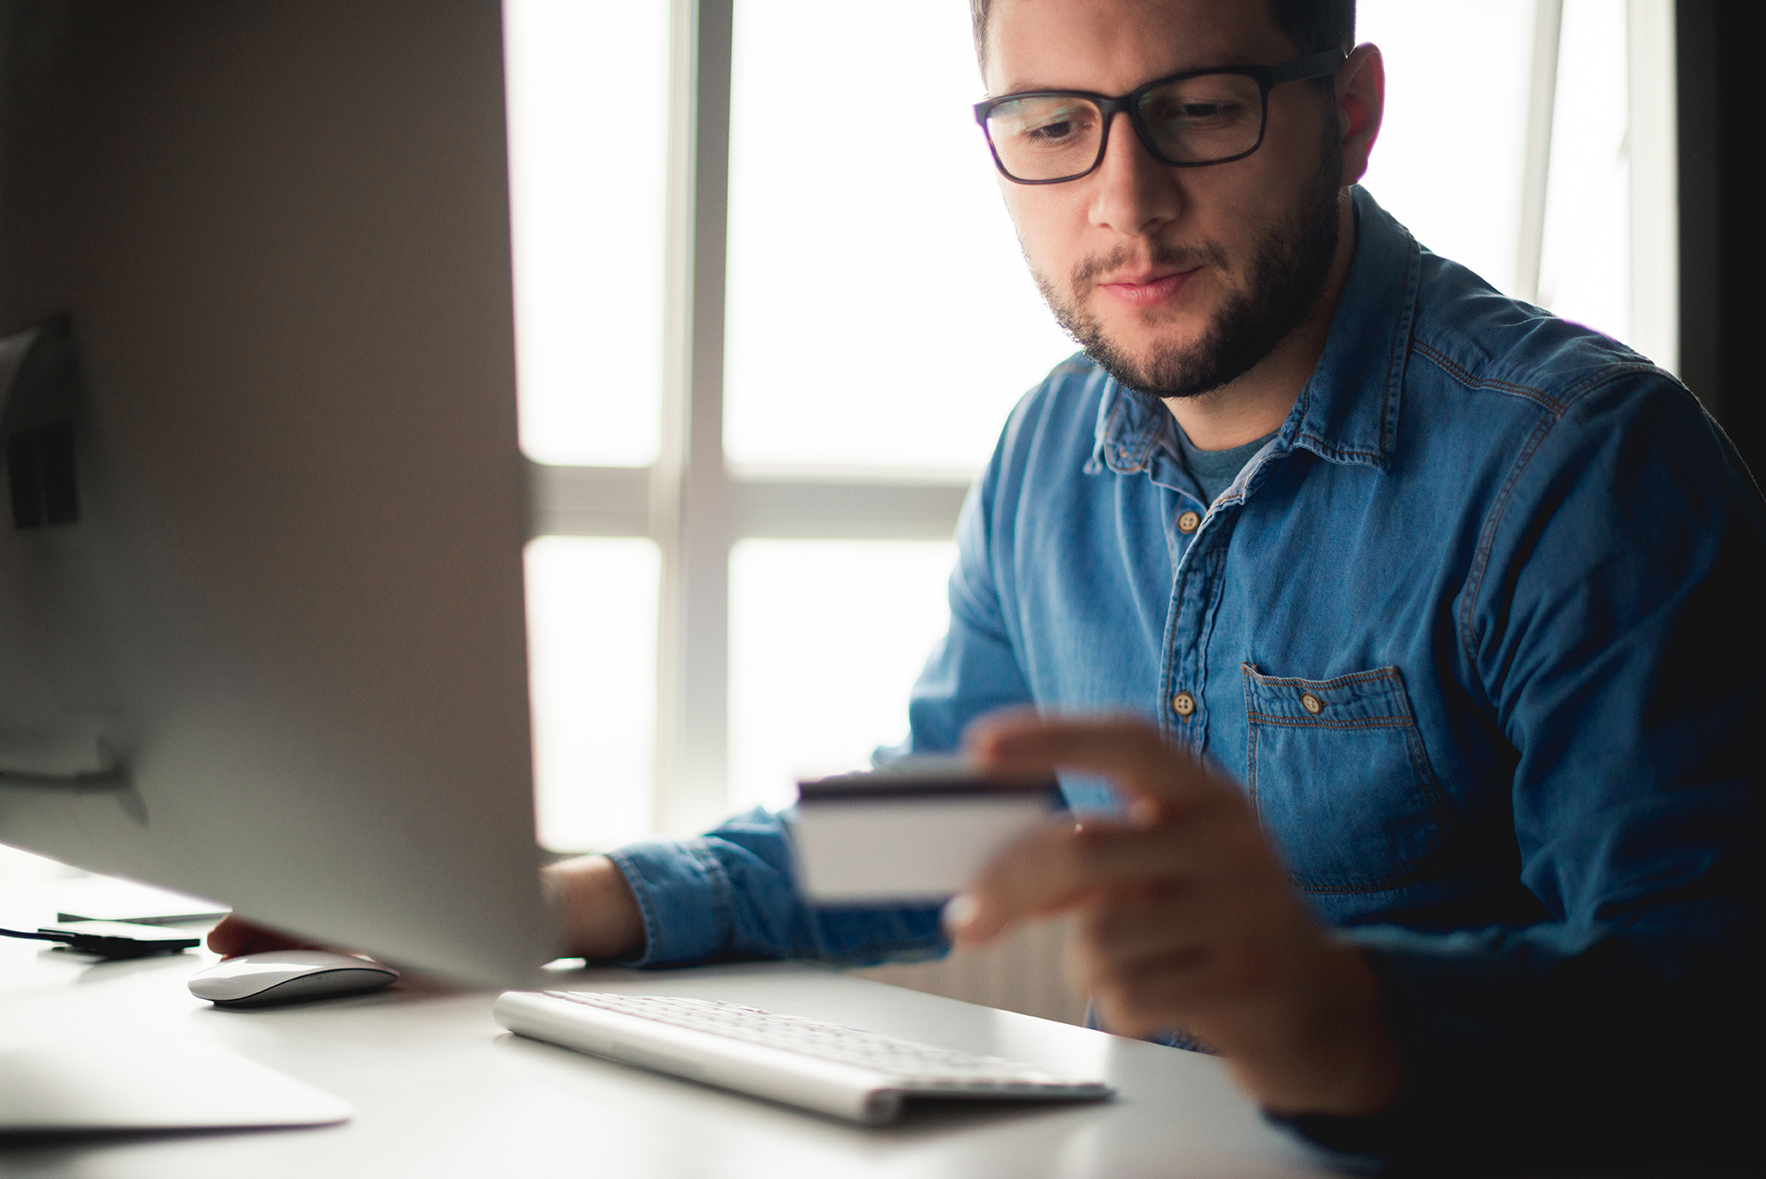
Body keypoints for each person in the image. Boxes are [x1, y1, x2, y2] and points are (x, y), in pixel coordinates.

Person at [216, 0, 1760, 1165]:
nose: (1123, 199)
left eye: (1202, 108)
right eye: (1049, 124)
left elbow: (1704, 1016)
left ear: (1348, 112)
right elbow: (956, 818)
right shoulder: (1050, 449)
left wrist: (1338, 1012)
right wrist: (550, 904)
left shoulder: (1584, 470)